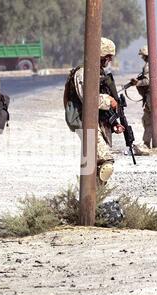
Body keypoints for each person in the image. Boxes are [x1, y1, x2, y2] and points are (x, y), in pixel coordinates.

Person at [64, 38, 125, 185]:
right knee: (105, 162)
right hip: (84, 120)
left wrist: (114, 123)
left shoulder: (98, 72)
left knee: (92, 164)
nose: (110, 60)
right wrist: (108, 100)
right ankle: (89, 200)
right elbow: (89, 98)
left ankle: (91, 202)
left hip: (96, 122)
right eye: (108, 56)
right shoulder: (83, 72)